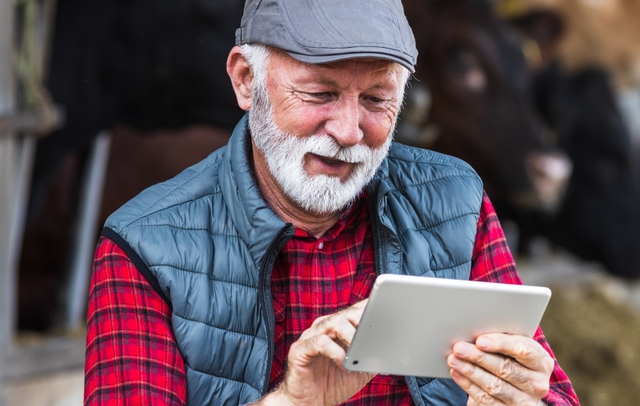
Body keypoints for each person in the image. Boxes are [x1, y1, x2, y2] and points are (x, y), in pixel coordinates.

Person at [83, 0, 580, 405]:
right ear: (245, 80)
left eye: (376, 100)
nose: (348, 131)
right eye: (320, 93)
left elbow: (551, 393)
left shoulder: (453, 200)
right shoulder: (145, 244)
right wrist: (293, 403)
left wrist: (526, 400)